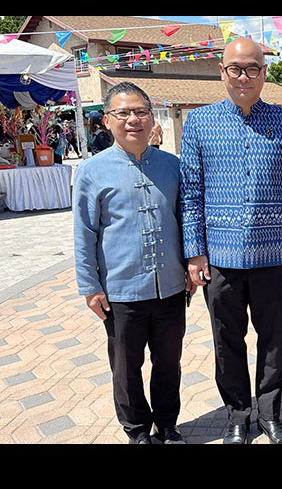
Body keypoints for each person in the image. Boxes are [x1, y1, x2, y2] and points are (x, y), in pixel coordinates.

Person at [179, 37, 282, 445]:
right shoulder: (199, 123)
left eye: (252, 68)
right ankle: (238, 415)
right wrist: (194, 252)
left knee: (273, 341)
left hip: (274, 256)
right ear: (222, 72)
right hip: (219, 259)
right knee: (227, 342)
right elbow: (190, 193)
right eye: (235, 68)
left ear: (263, 73)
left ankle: (270, 414)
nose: (244, 76)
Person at [73, 81, 194, 445]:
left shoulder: (172, 166)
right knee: (126, 368)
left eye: (141, 112)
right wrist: (90, 286)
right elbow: (84, 232)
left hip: (170, 286)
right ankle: (137, 430)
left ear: (151, 118)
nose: (133, 120)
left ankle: (167, 425)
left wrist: (191, 266)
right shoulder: (91, 171)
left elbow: (186, 220)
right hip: (121, 291)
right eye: (123, 113)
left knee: (168, 362)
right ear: (107, 120)